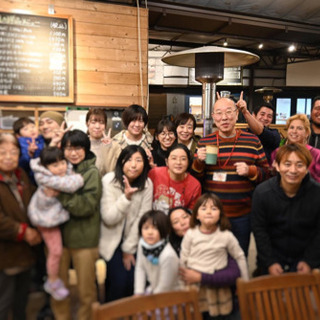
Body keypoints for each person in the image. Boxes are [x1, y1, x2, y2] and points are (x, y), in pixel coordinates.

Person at [191, 96, 269, 256]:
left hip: (242, 215)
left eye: (228, 112)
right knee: (212, 261)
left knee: (239, 260)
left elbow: (268, 174)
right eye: (219, 113)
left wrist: (251, 171)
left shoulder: (252, 141)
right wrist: (198, 162)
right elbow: (195, 179)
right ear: (213, 117)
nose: (224, 117)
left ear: (236, 115)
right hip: (212, 216)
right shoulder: (205, 142)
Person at [51, 130, 102, 320]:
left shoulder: (91, 172)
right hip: (57, 240)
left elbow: (86, 207)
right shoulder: (56, 168)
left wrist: (60, 193)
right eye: (69, 148)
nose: (73, 153)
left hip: (85, 239)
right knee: (58, 289)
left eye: (78, 148)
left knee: (86, 291)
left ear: (86, 149)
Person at [252, 143, 320, 276]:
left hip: (306, 262)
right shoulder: (262, 193)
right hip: (271, 261)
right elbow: (260, 231)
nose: (293, 170)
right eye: (287, 164)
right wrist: (270, 262)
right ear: (276, 165)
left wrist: (309, 261)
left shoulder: (317, 193)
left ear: (307, 167)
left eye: (299, 165)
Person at [27, 147, 84, 300]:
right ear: (46, 167)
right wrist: (71, 180)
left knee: (55, 251)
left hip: (52, 217)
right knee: (56, 251)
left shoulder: (60, 173)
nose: (60, 168)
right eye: (55, 165)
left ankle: (52, 280)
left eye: (62, 163)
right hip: (45, 219)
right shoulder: (45, 177)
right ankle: (52, 282)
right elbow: (75, 183)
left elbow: (72, 179)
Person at [180, 193, 248, 319]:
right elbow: (183, 259)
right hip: (195, 286)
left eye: (214, 208)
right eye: (204, 208)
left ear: (220, 214)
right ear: (196, 215)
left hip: (219, 287)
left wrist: (244, 283)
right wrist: (182, 286)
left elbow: (239, 256)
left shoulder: (226, 235)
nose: (209, 212)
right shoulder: (190, 234)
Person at [99, 145, 153, 302]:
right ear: (121, 162)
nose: (134, 165)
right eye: (129, 160)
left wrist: (129, 249)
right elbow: (109, 218)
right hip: (110, 243)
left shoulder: (147, 184)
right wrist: (126, 198)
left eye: (138, 160)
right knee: (119, 283)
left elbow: (142, 219)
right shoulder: (109, 180)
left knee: (134, 283)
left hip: (133, 241)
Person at [0, 133, 42, 320]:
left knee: (21, 300)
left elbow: (33, 201)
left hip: (25, 253)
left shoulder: (21, 175)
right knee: (3, 302)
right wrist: (23, 232)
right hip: (5, 254)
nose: (8, 157)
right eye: (2, 152)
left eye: (13, 152)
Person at [134, 210, 179, 295]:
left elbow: (164, 287)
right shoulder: (142, 244)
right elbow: (140, 268)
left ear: (163, 230)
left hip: (171, 296)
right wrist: (138, 293)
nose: (150, 232)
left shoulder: (168, 255)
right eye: (146, 228)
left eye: (155, 228)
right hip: (153, 290)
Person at [149, 144, 201, 215]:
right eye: (174, 158)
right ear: (167, 161)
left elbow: (191, 215)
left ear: (188, 162)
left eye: (183, 159)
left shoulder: (195, 185)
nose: (178, 162)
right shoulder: (155, 173)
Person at [271, 113, 320, 182]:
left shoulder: (317, 154)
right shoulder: (277, 152)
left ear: (307, 133)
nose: (294, 131)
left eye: (299, 128)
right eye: (291, 127)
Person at [237, 94, 281, 164]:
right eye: (262, 114)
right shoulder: (242, 133)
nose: (265, 118)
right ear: (254, 115)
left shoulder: (275, 134)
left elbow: (260, 131)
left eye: (269, 116)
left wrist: (245, 112)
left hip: (264, 172)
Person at [86, 108, 121, 176]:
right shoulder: (81, 144)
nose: (97, 126)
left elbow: (113, 172)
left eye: (101, 122)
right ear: (87, 124)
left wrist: (108, 147)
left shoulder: (115, 145)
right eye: (93, 122)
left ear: (105, 125)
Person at [13, 117, 45, 184]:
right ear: (18, 135)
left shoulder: (41, 139)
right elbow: (22, 164)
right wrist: (30, 154)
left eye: (32, 127)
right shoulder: (21, 144)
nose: (31, 130)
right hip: (30, 178)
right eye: (26, 129)